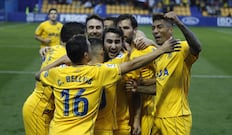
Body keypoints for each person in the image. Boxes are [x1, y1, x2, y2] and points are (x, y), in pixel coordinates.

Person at [35, 34, 180, 135]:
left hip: (56, 131)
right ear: (86, 55)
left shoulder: (56, 74)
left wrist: (60, 60)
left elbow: (38, 75)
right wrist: (161, 50)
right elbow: (133, 64)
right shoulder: (98, 72)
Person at [22, 22, 86, 135]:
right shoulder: (66, 57)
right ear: (74, 38)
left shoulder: (55, 49)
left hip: (43, 107)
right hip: (40, 110)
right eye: (83, 38)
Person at [150, 11, 202, 135]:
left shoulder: (181, 48)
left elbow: (197, 47)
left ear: (170, 30)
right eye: (153, 28)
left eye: (159, 27)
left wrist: (179, 23)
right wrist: (137, 88)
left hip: (176, 116)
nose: (155, 31)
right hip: (157, 116)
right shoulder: (159, 56)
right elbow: (160, 86)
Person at [116, 14, 157, 135]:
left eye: (126, 28)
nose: (122, 31)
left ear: (135, 30)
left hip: (146, 110)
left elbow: (165, 76)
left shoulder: (147, 50)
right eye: (120, 28)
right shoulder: (121, 52)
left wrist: (144, 83)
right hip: (125, 112)